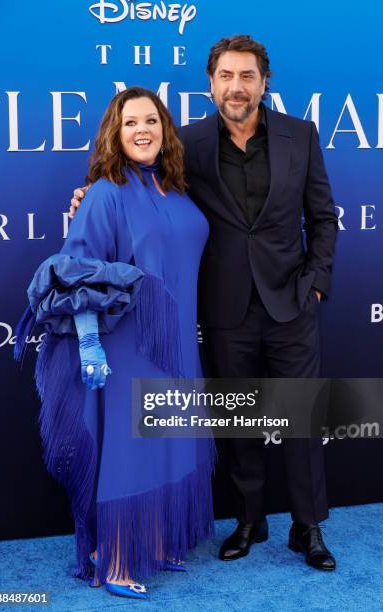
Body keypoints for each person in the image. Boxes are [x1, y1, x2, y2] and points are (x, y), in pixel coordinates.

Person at [70, 35, 339, 572]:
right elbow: (135, 183)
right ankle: (247, 519)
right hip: (223, 308)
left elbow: (324, 216)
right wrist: (85, 196)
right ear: (211, 84)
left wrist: (315, 283)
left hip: (290, 302)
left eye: (247, 77)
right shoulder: (186, 144)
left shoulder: (301, 136)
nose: (236, 87)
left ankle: (307, 527)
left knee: (300, 418)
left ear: (265, 83)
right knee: (237, 422)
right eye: (226, 76)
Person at [15, 87, 215, 600]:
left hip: (177, 343)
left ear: (165, 129)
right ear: (115, 133)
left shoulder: (178, 189)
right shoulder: (105, 191)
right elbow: (75, 269)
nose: (143, 129)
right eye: (131, 123)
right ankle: (116, 557)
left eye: (152, 120)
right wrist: (88, 344)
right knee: (130, 449)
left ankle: (153, 538)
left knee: (170, 443)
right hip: (129, 344)